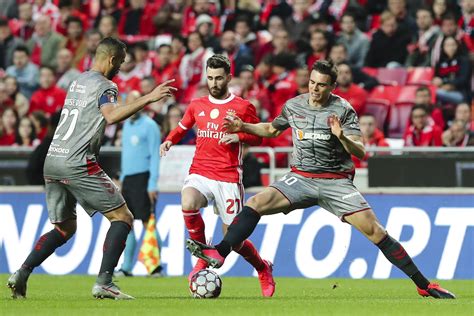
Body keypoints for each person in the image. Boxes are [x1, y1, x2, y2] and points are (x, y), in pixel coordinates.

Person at [186, 60, 455, 300]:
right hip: (300, 177)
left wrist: (341, 136)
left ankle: (423, 285)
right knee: (257, 201)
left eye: (321, 85)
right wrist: (243, 127)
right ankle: (220, 251)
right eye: (312, 82)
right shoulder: (294, 105)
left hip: (335, 181)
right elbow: (270, 129)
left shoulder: (343, 110)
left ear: (332, 87)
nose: (314, 89)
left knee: (376, 232)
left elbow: (361, 151)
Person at [7, 37, 176, 300]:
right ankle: (105, 282)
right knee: (123, 217)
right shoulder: (106, 85)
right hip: (77, 162)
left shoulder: (77, 81)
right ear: (111, 59)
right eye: (120, 62)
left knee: (65, 229)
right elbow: (110, 115)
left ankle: (22, 272)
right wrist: (149, 97)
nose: (120, 67)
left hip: (52, 160)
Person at [160, 54, 275, 297]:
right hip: (201, 170)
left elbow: (259, 136)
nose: (214, 82)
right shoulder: (197, 104)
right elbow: (182, 127)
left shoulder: (243, 106)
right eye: (210, 77)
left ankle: (262, 268)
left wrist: (239, 135)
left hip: (228, 176)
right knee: (188, 202)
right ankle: (202, 255)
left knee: (234, 240)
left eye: (219, 78)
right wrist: (169, 141)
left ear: (229, 78)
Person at [116, 90, 163, 277]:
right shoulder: (126, 124)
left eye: (137, 101)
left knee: (147, 223)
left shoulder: (150, 126)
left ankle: (155, 266)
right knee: (127, 222)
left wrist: (152, 183)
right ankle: (126, 267)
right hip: (128, 180)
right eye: (130, 102)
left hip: (143, 179)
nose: (133, 106)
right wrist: (122, 178)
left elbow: (155, 157)